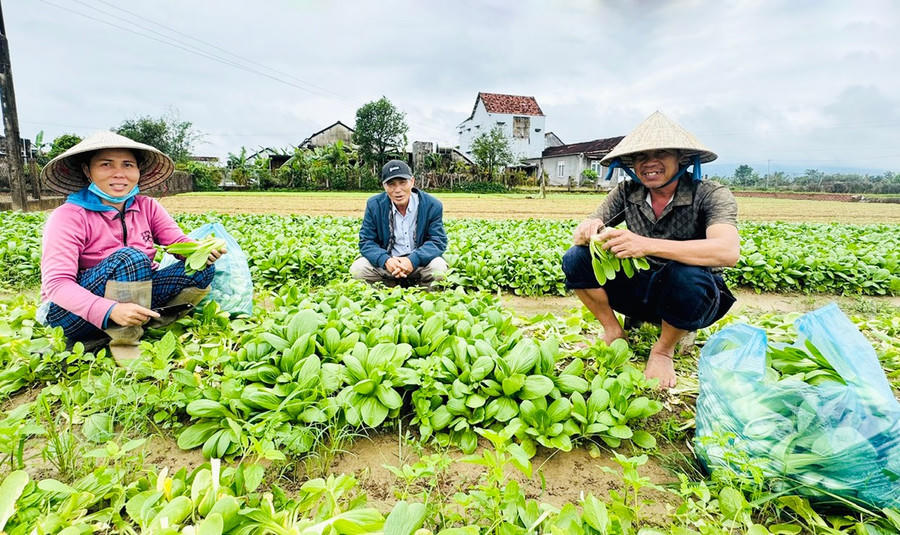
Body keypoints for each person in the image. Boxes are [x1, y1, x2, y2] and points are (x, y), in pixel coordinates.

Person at [562, 111, 740, 388]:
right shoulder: (627, 192)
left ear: (681, 158)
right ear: (632, 164)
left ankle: (664, 349)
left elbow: (727, 251)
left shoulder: (709, 194)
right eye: (641, 156)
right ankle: (613, 331)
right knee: (576, 258)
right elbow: (584, 230)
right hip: (640, 288)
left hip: (693, 295)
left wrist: (645, 245)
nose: (649, 163)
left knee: (686, 274)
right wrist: (591, 229)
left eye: (661, 153)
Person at [38, 131, 226, 363]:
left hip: (134, 293)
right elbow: (57, 284)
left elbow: (177, 243)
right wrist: (108, 310)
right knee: (131, 258)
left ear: (138, 170)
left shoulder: (147, 206)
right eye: (106, 165)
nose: (119, 174)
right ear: (88, 171)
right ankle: (124, 344)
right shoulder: (68, 216)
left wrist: (201, 250)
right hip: (69, 312)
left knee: (200, 269)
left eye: (128, 165)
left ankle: (137, 319)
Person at [350, 160, 448, 287]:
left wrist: (412, 260)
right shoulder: (374, 205)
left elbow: (437, 241)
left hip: (419, 263)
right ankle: (388, 289)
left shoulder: (432, 205)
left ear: (412, 182)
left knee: (438, 268)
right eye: (391, 184)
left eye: (402, 183)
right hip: (389, 263)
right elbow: (366, 241)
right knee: (358, 269)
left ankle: (423, 292)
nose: (398, 190)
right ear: (384, 186)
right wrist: (386, 260)